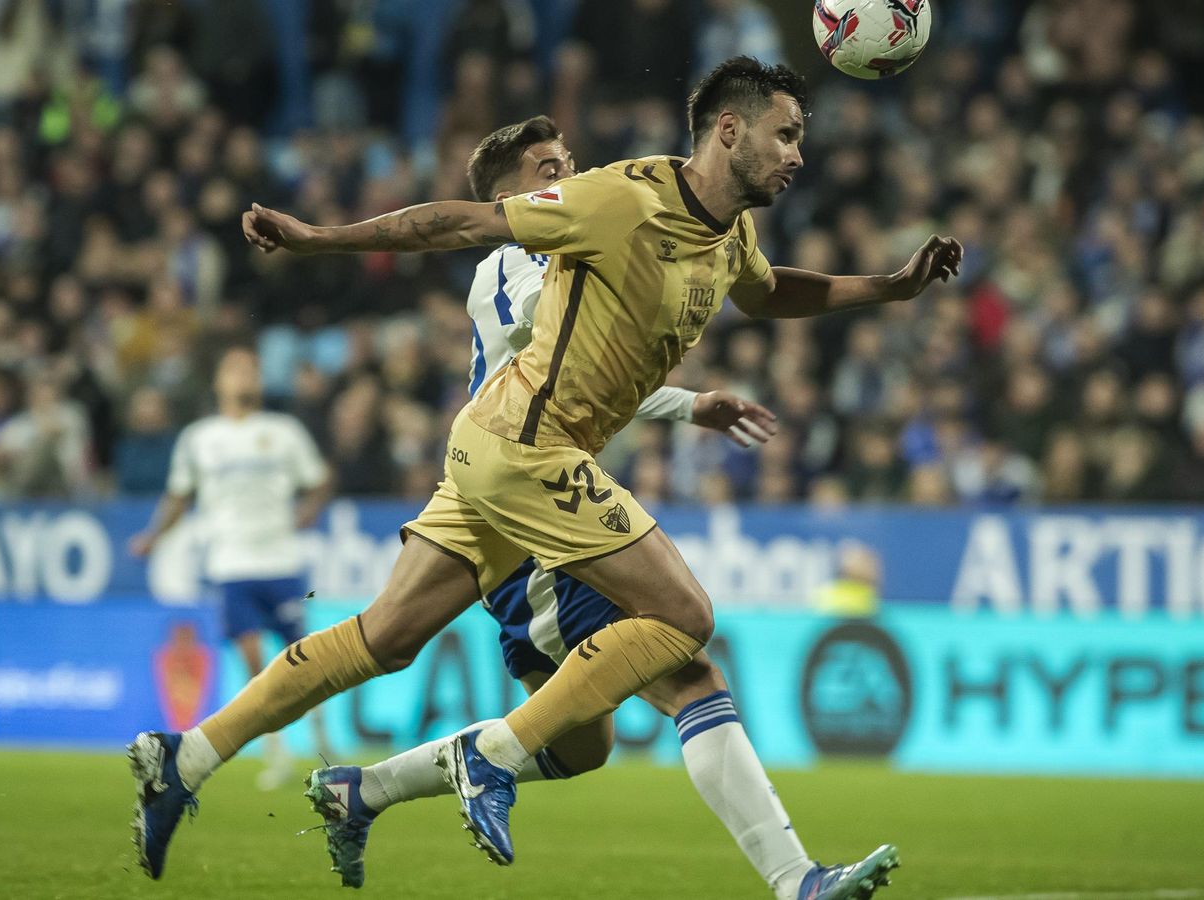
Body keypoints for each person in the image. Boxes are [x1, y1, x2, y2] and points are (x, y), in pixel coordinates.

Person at [132, 57, 957, 896]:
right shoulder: (609, 204)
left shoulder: (726, 230)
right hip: (532, 455)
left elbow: (770, 290)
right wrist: (320, 239)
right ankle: (508, 765)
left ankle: (192, 756)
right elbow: (450, 228)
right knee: (686, 627)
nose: (798, 155)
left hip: (492, 455)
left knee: (404, 650)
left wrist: (888, 287)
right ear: (730, 130)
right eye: (786, 134)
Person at [299, 116, 843, 900]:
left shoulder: (566, 253)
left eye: (570, 163)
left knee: (587, 746)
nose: (570, 175)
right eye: (549, 168)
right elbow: (559, 353)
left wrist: (688, 399)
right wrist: (686, 399)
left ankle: (364, 791)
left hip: (549, 502)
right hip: (532, 519)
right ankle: (797, 882)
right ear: (510, 197)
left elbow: (607, 357)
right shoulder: (514, 262)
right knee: (688, 670)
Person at [129, 347, 335, 789]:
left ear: (259, 381)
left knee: (305, 659)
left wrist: (308, 511)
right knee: (255, 665)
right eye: (234, 369)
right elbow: (179, 496)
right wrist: (152, 536)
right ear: (219, 382)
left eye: (251, 369)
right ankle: (277, 752)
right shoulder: (200, 438)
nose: (244, 376)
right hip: (232, 565)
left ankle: (324, 745)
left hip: (281, 561)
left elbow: (319, 480)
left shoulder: (283, 432)